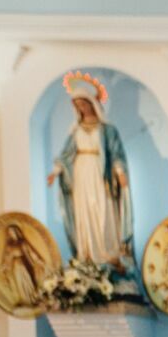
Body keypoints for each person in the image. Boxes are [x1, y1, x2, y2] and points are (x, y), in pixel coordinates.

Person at [45, 72, 133, 271]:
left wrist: (120, 172)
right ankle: (87, 257)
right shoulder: (75, 130)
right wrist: (56, 172)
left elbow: (116, 152)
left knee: (104, 212)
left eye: (83, 104)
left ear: (92, 103)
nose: (80, 108)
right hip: (80, 175)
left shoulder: (107, 129)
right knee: (84, 214)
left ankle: (109, 255)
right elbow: (66, 154)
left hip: (101, 174)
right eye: (77, 105)